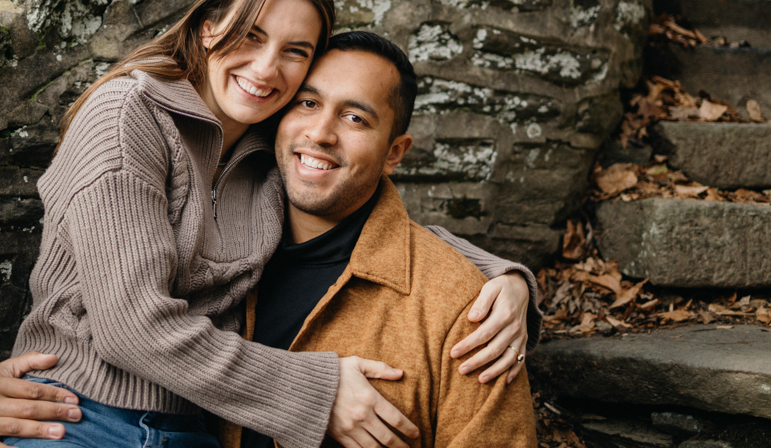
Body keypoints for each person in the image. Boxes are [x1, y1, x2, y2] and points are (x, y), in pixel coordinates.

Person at [0, 0, 540, 448]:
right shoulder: (126, 116)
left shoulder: (267, 149)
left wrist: (504, 279)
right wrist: (318, 390)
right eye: (250, 35)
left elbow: (358, 224)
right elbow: (130, 324)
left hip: (192, 432)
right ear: (208, 26)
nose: (266, 67)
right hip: (76, 418)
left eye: (294, 51)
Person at [221, 30, 538, 448]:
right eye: (308, 103)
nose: (320, 133)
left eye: (355, 118)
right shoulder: (209, 248)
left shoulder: (467, 312)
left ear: (394, 152)